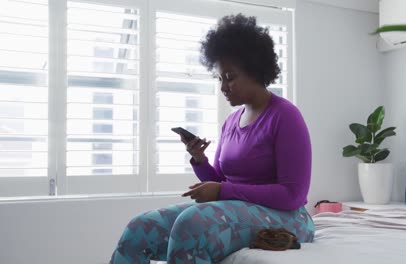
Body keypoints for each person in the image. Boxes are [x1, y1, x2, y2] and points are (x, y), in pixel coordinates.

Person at [110, 13, 315, 264]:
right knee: (140, 228)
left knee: (191, 223)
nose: (223, 87)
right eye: (219, 78)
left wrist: (222, 190)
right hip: (239, 210)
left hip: (288, 217)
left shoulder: (286, 116)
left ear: (255, 71)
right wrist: (199, 160)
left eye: (230, 77)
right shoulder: (230, 122)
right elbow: (221, 182)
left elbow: (292, 194)